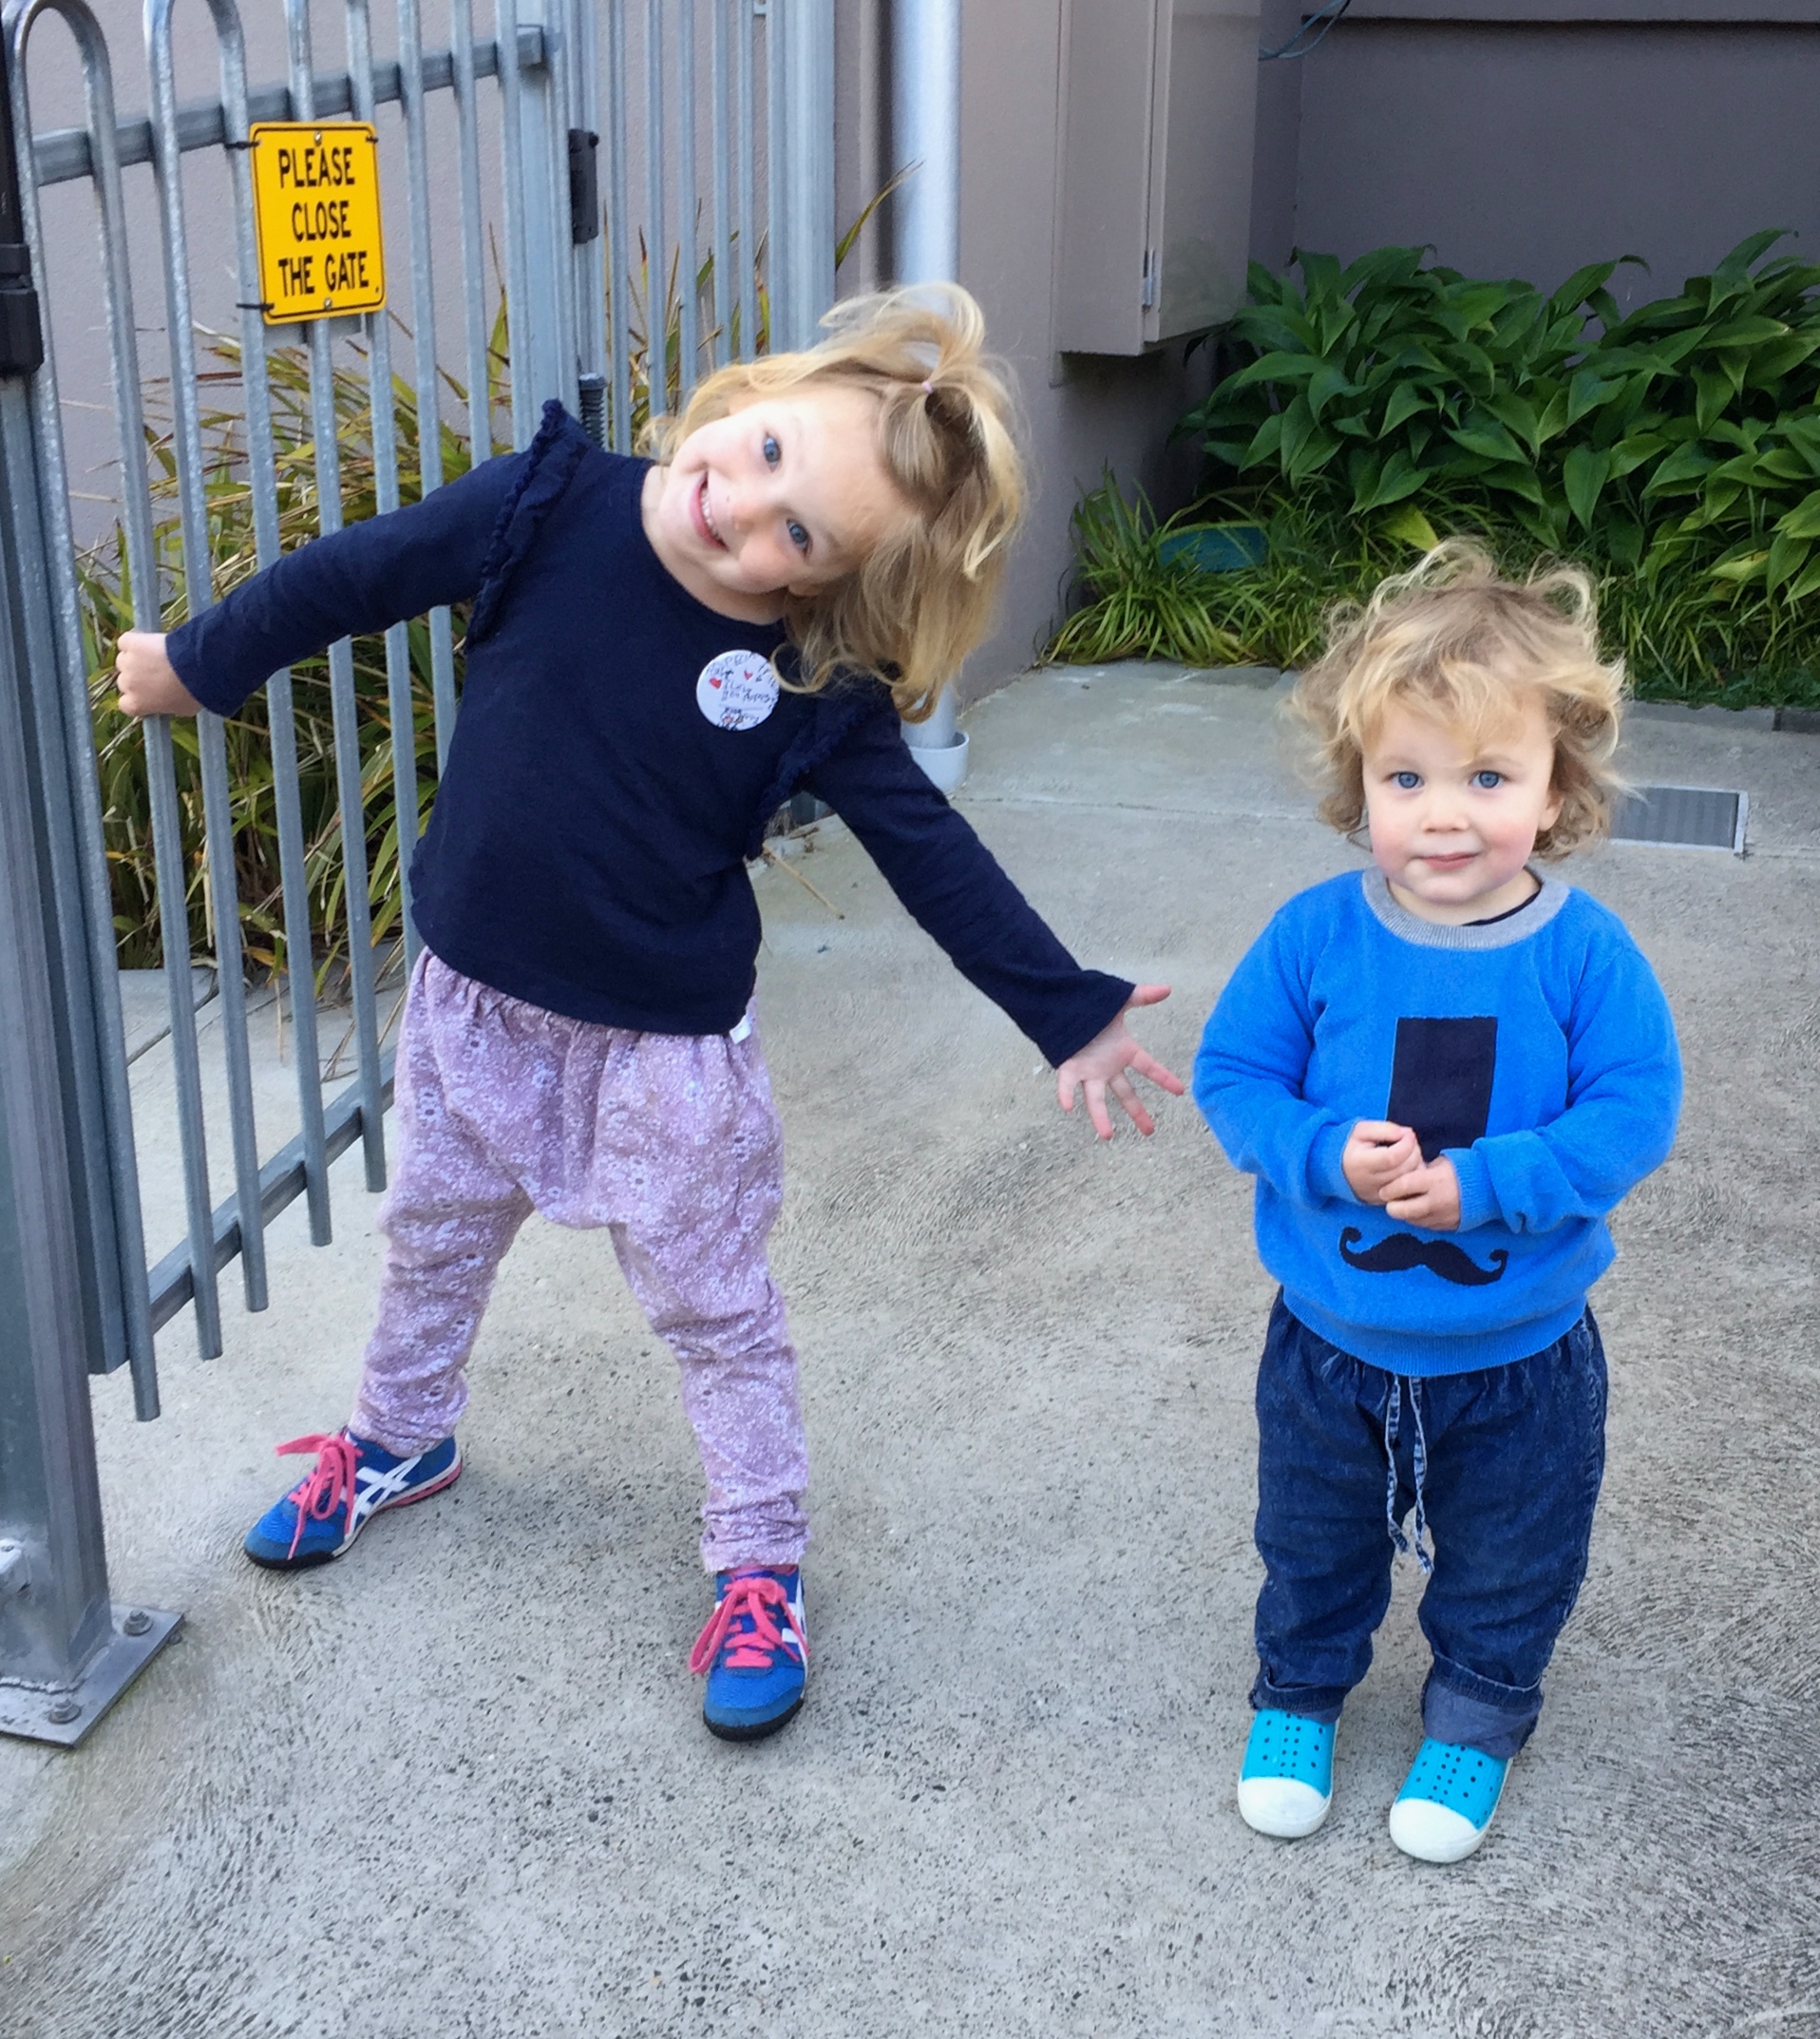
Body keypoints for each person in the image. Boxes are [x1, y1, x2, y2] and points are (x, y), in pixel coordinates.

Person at [115, 286, 1184, 1744]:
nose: (739, 512)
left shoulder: (815, 683)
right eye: (756, 455)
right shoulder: (546, 506)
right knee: (429, 1235)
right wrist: (203, 659)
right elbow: (352, 573)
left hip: (662, 1054)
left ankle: (759, 1561)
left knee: (712, 1303)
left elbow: (932, 858)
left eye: (797, 533)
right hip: (471, 1004)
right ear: (746, 397)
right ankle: (397, 1437)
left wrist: (1072, 1013)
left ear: (837, 583)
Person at [1193, 542, 1680, 1861]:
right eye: (1406, 777)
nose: (1444, 814)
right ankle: (1299, 1692)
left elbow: (1633, 1110)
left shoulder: (1584, 953)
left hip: (1519, 1351)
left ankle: (1472, 1716)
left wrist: (1486, 1182)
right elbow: (1232, 1072)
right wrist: (1316, 1153)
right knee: (1308, 1537)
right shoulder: (1314, 935)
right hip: (1331, 1341)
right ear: (1359, 785)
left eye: (1486, 776)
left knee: (1513, 1559)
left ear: (1555, 785)